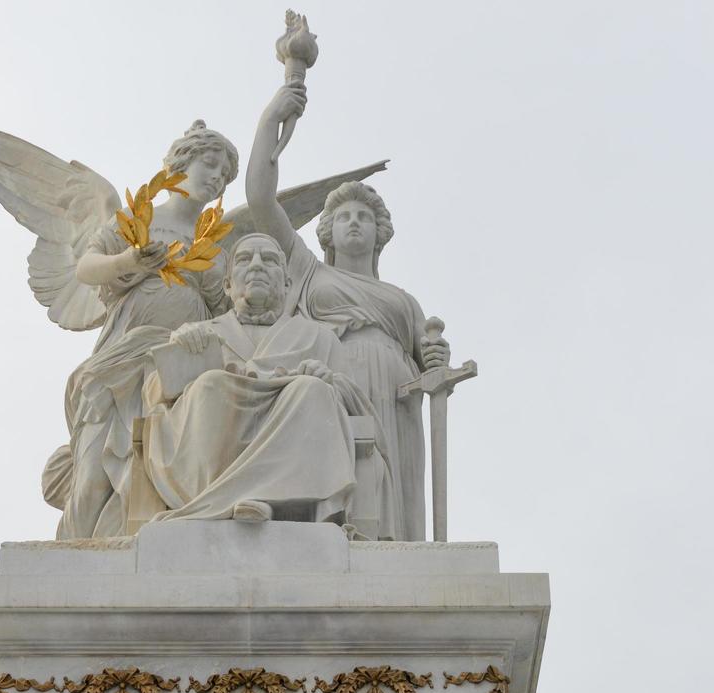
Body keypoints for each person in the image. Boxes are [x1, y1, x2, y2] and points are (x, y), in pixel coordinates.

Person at [244, 83, 449, 540]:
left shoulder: (403, 300)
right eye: (344, 217)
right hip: (333, 376)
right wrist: (270, 119)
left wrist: (435, 357)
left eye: (364, 217)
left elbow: (427, 357)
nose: (354, 222)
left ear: (380, 234)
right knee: (343, 477)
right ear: (328, 233)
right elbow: (260, 198)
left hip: (397, 392)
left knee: (394, 483)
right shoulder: (308, 272)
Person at [58, 121, 239, 539]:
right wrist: (129, 263)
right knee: (92, 477)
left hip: (179, 368)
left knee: (158, 477)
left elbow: (228, 313)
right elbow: (87, 268)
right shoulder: (137, 221)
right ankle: (70, 560)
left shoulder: (213, 246)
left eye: (225, 175)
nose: (216, 178)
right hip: (120, 359)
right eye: (209, 164)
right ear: (180, 163)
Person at [141, 233, 380, 525]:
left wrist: (327, 379)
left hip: (293, 424)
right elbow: (155, 394)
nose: (257, 265)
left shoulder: (319, 337)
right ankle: (222, 499)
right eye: (244, 259)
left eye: (269, 260)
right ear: (227, 285)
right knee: (210, 385)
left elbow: (356, 401)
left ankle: (258, 498)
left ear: (287, 284)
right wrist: (180, 347)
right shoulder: (200, 333)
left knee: (312, 390)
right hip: (217, 435)